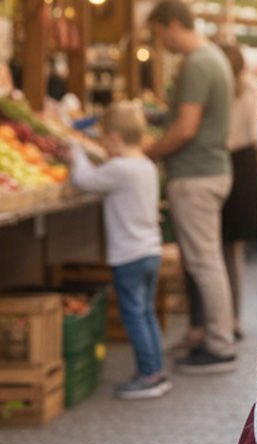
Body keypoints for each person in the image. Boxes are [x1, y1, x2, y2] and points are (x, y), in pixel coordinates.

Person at [146, 0, 236, 374]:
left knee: (204, 261)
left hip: (197, 173)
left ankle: (220, 344)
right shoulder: (212, 57)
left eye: (156, 34)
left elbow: (185, 128)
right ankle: (208, 335)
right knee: (204, 260)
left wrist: (149, 152)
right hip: (207, 170)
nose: (158, 43)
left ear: (170, 26)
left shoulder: (199, 63)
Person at [69, 102, 168, 400]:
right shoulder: (147, 167)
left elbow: (84, 181)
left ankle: (148, 374)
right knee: (146, 313)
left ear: (112, 138)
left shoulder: (119, 169)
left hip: (128, 255)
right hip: (150, 250)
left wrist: (75, 153)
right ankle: (157, 369)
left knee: (134, 315)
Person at [218, 42, 257, 341]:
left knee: (222, 247)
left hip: (226, 161)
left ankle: (227, 318)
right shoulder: (253, 87)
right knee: (233, 249)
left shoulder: (225, 89)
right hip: (246, 165)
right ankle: (233, 317)